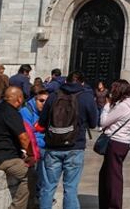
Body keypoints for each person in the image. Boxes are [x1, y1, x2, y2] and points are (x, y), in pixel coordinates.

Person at [38, 70, 99, 209]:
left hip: (53, 146)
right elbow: (94, 123)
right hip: (75, 146)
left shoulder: (53, 96)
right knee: (70, 188)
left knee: (48, 187)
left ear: (65, 81)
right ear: (82, 83)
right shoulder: (86, 97)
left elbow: (42, 122)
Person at [0, 86, 33, 209]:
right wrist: (31, 155)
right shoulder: (12, 113)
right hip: (4, 158)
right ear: (19, 99)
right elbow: (23, 138)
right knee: (31, 176)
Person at [98, 79, 130, 209]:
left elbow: (103, 122)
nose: (111, 92)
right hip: (124, 141)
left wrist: (106, 107)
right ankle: (105, 202)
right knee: (106, 173)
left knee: (113, 177)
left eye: (113, 89)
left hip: (116, 142)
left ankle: (114, 205)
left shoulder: (123, 106)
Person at [20, 88, 49, 203]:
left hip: (45, 144)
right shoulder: (26, 112)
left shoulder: (47, 111)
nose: (44, 104)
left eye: (47, 101)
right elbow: (28, 135)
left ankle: (43, 193)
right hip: (33, 145)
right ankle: (39, 194)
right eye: (41, 101)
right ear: (35, 100)